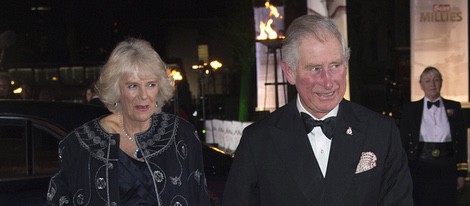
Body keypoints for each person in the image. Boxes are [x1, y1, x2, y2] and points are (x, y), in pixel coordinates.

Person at [222, 15, 413, 206]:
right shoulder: (257, 141)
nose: (328, 81)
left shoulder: (381, 133)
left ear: (346, 65)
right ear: (289, 72)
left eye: (335, 66)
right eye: (315, 69)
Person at [47, 38, 210, 205]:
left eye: (151, 84)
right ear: (116, 89)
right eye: (133, 86)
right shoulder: (81, 145)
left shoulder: (181, 135)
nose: (144, 95)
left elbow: (199, 198)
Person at [399, 66, 467, 206]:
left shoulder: (455, 107)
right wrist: (403, 172)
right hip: (419, 169)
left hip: (447, 169)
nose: (432, 84)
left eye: (436, 80)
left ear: (441, 82)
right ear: (421, 84)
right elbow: (403, 142)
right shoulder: (410, 109)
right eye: (428, 80)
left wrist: (461, 173)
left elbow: (461, 142)